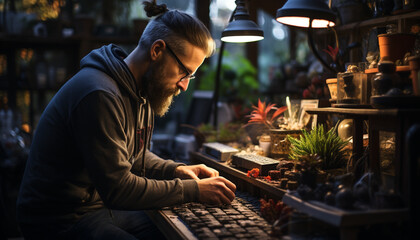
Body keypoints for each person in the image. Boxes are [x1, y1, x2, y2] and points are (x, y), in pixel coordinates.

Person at [16, 1, 236, 239]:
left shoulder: (139, 91)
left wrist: (177, 170)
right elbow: (118, 189)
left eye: (190, 77)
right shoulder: (99, 94)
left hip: (94, 209)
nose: (184, 85)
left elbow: (133, 153)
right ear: (157, 51)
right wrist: (192, 190)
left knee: (175, 231)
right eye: (185, 72)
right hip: (57, 219)